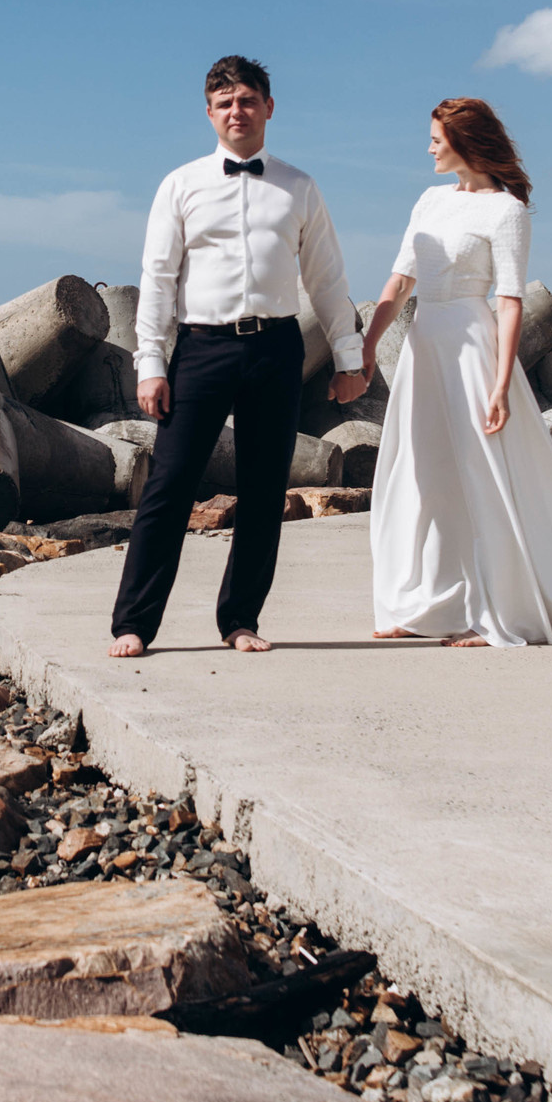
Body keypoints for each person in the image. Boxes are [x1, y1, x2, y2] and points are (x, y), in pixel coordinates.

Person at [109, 55, 364, 658]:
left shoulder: (300, 187)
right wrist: (150, 362)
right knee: (169, 487)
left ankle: (240, 622)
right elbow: (158, 277)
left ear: (268, 107)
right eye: (224, 104)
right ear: (209, 113)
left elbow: (327, 281)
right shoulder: (180, 184)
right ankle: (134, 624)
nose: (237, 112)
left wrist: (349, 360)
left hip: (277, 348)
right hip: (202, 348)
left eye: (247, 101)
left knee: (263, 489)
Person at [359, 98, 552, 646]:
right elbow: (398, 283)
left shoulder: (506, 211)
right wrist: (368, 346)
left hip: (473, 348)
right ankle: (425, 605)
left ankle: (502, 610)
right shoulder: (429, 200)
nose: (429, 147)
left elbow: (509, 301)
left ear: (466, 140)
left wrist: (500, 381)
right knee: (420, 473)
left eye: (437, 137)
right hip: (424, 346)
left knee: (483, 476)